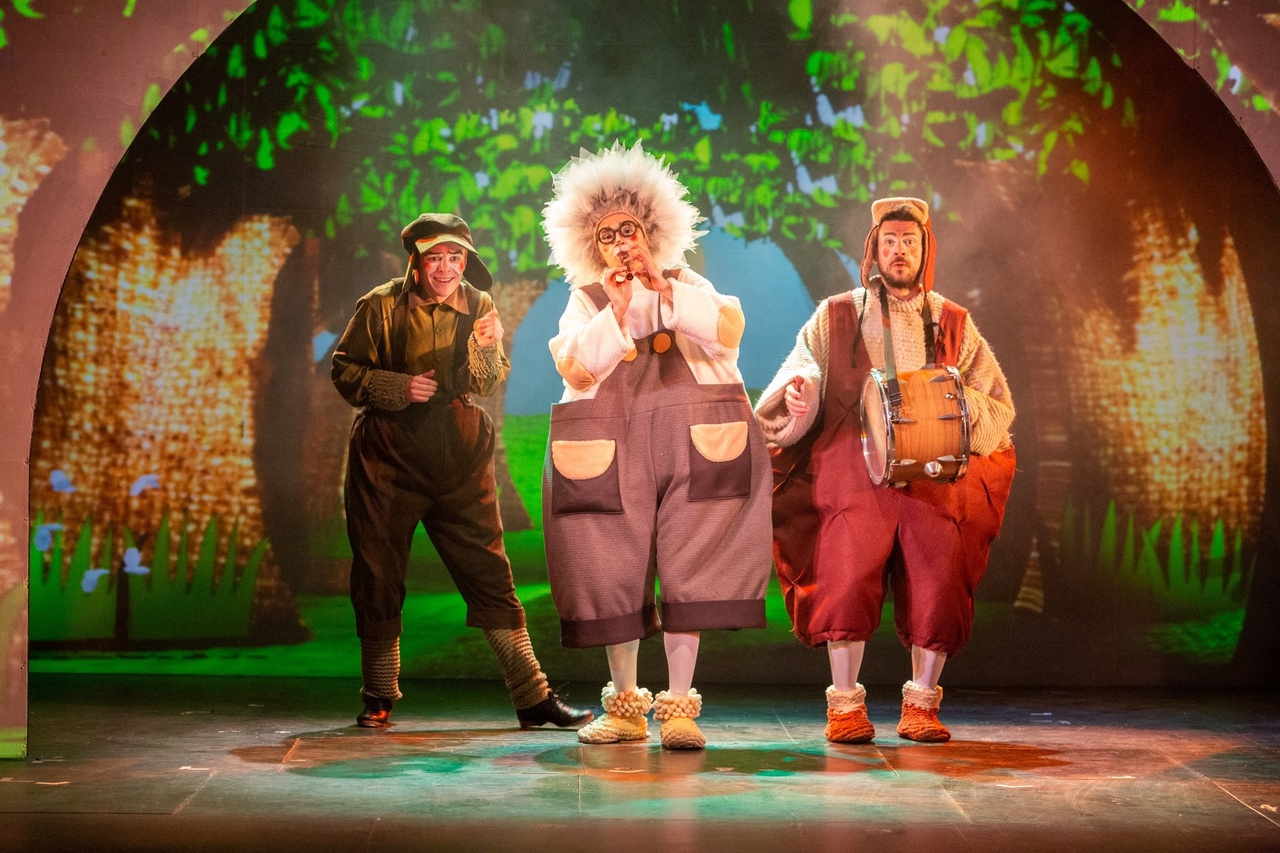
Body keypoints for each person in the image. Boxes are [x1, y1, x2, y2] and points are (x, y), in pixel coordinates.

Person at [754, 197, 1016, 743]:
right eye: (890, 241)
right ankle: (845, 705)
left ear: (925, 250)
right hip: (854, 471)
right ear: (874, 249)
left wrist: (952, 404)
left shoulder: (954, 321)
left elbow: (996, 402)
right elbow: (800, 371)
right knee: (844, 578)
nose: (900, 252)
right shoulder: (836, 315)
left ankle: (921, 704)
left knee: (938, 582)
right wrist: (799, 396)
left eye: (910, 242)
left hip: (932, 478)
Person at [540, 141, 773, 750]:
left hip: (696, 441)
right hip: (610, 444)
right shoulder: (587, 299)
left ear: (652, 234)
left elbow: (728, 331)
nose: (622, 243)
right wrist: (617, 311)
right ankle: (624, 707)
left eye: (631, 231)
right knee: (611, 565)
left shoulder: (685, 282)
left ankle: (678, 707)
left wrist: (664, 291)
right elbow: (573, 367)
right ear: (593, 247)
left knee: (691, 566)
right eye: (609, 235)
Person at [332, 212, 592, 731]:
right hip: (387, 456)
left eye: (455, 257)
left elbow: (487, 382)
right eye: (435, 257)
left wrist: (488, 346)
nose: (446, 268)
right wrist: (396, 387)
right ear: (416, 261)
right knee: (378, 573)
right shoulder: (380, 304)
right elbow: (344, 369)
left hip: (459, 453)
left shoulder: (480, 304)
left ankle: (532, 696)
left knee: (490, 573)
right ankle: (379, 694)